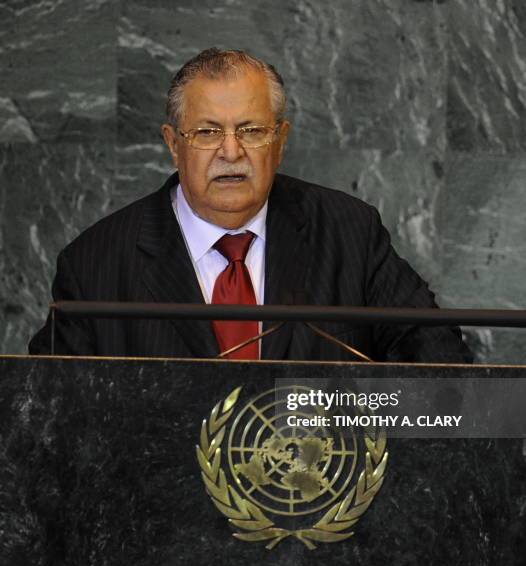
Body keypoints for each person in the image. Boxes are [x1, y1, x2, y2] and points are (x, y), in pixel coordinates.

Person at [29, 48, 472, 363]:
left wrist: (354, 424)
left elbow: (444, 372)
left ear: (279, 142)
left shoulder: (348, 232)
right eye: (206, 132)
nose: (231, 151)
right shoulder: (95, 264)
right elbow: (50, 418)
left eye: (252, 130)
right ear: (173, 144)